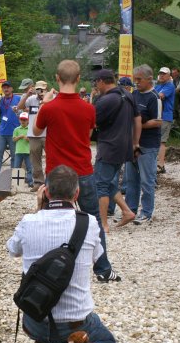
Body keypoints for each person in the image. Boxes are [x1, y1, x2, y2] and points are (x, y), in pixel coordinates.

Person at [7, 165, 117, 343]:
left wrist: (39, 210)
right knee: (108, 341)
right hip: (76, 325)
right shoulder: (90, 223)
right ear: (76, 194)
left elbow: (12, 250)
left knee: (44, 317)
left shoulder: (29, 221)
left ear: (46, 192)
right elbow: (97, 258)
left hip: (35, 320)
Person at [33, 59, 121, 283]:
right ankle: (102, 268)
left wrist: (46, 103)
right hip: (83, 169)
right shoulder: (89, 108)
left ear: (57, 78)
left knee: (50, 219)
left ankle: (48, 268)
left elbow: (36, 129)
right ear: (79, 78)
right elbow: (90, 131)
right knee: (94, 220)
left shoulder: (49, 107)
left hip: (56, 172)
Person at [92, 69, 141, 232]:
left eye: (96, 82)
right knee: (108, 181)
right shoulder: (128, 95)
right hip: (124, 146)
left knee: (100, 184)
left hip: (109, 146)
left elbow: (91, 122)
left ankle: (103, 224)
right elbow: (137, 119)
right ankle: (127, 211)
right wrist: (135, 142)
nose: (95, 86)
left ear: (100, 81)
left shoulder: (105, 100)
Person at [125, 64, 162, 225]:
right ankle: (130, 210)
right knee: (131, 179)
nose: (136, 82)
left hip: (148, 144)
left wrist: (139, 125)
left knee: (147, 180)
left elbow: (158, 121)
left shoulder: (154, 97)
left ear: (149, 79)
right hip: (133, 143)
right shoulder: (134, 94)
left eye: (139, 80)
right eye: (135, 80)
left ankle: (146, 211)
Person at [17, 79, 47, 192]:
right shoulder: (31, 99)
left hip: (47, 134)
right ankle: (38, 182)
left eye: (42, 89)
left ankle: (50, 183)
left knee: (51, 159)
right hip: (33, 134)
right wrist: (27, 95)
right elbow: (19, 107)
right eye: (38, 89)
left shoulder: (50, 99)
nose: (40, 92)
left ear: (46, 89)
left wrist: (45, 99)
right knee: (35, 160)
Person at [0, 80, 21, 181]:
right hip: (2, 131)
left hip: (15, 131)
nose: (6, 89)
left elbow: (24, 111)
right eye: (4, 87)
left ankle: (12, 175)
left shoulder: (18, 98)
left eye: (8, 87)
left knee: (14, 155)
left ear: (12, 88)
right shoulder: (0, 100)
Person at [154, 67, 175, 174]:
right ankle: (156, 164)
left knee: (162, 141)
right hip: (157, 117)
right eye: (160, 73)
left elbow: (159, 96)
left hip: (165, 117)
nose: (161, 75)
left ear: (169, 75)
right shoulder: (158, 86)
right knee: (156, 141)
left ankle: (161, 165)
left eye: (164, 74)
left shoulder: (170, 86)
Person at [12, 112, 33, 188]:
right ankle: (16, 183)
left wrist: (27, 139)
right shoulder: (16, 129)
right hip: (18, 151)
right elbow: (14, 139)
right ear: (19, 120)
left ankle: (30, 181)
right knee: (16, 167)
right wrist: (20, 137)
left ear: (28, 120)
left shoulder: (30, 129)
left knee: (29, 167)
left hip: (27, 151)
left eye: (25, 120)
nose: (23, 121)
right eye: (21, 120)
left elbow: (31, 140)